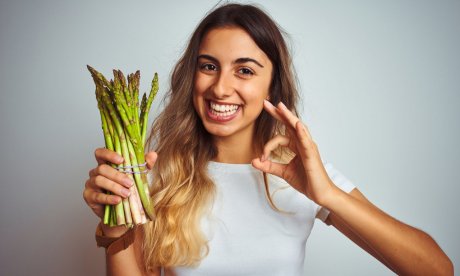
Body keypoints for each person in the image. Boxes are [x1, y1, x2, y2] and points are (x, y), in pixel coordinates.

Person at [83, 3, 453, 275]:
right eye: (209, 66)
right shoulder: (158, 175)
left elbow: (436, 270)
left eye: (244, 70)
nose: (221, 87)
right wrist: (114, 226)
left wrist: (327, 195)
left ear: (271, 86)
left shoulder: (304, 175)